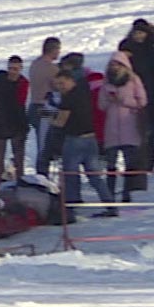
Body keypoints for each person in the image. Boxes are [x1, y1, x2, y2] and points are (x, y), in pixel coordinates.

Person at [53, 68, 115, 220]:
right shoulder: (85, 93)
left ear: (71, 81)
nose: (60, 87)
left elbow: (60, 121)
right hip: (91, 138)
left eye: (62, 83)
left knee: (71, 174)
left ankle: (71, 208)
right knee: (95, 175)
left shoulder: (68, 98)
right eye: (58, 85)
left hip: (75, 140)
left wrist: (45, 114)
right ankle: (110, 204)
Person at [98, 51, 149, 203]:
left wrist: (124, 101)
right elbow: (101, 105)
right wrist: (109, 100)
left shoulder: (133, 80)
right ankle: (110, 194)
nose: (114, 67)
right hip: (112, 126)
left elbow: (142, 101)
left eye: (117, 64)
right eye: (112, 64)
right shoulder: (106, 83)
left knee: (129, 162)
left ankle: (127, 193)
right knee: (111, 164)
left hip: (130, 124)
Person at [119, 20, 154, 169]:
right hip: (133, 94)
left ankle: (148, 160)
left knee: (151, 128)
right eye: (136, 33)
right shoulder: (127, 48)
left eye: (141, 33)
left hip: (153, 94)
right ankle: (138, 160)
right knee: (134, 128)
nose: (138, 36)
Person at [0, 58, 30, 180]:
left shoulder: (23, 83)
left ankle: (20, 182)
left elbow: (20, 104)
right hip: (0, 122)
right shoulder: (0, 78)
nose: (12, 72)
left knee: (18, 161)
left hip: (17, 122)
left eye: (15, 69)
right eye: (10, 68)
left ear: (21, 69)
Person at [27, 36, 62, 175]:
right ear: (53, 50)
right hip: (44, 108)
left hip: (33, 106)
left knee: (42, 143)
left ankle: (42, 173)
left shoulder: (35, 64)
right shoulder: (51, 68)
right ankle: (43, 176)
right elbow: (57, 87)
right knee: (45, 145)